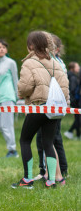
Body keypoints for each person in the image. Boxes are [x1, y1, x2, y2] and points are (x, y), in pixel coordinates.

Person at [12, 31, 69, 189]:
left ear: (31, 46)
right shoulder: (56, 63)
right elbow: (65, 88)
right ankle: (51, 181)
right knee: (48, 143)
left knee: (25, 140)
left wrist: (22, 94)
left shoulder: (29, 63)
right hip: (54, 109)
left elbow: (25, 87)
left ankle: (27, 179)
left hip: (37, 107)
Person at [34, 33, 69, 181]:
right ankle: (62, 170)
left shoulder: (54, 63)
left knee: (45, 139)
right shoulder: (58, 62)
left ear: (56, 49)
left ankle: (46, 173)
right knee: (55, 138)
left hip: (51, 105)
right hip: (56, 106)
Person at [0, 39, 19, 158]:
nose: (1, 49)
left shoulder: (11, 62)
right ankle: (11, 148)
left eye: (4, 47)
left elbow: (15, 79)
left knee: (7, 125)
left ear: (6, 50)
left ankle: (12, 150)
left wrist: (17, 96)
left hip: (8, 96)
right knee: (1, 126)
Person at [64, 62, 80, 140]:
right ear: (72, 68)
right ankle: (71, 132)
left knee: (77, 118)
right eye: (77, 67)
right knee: (78, 119)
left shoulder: (71, 76)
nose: (79, 68)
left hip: (73, 100)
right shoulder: (73, 78)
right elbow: (73, 90)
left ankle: (76, 135)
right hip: (75, 101)